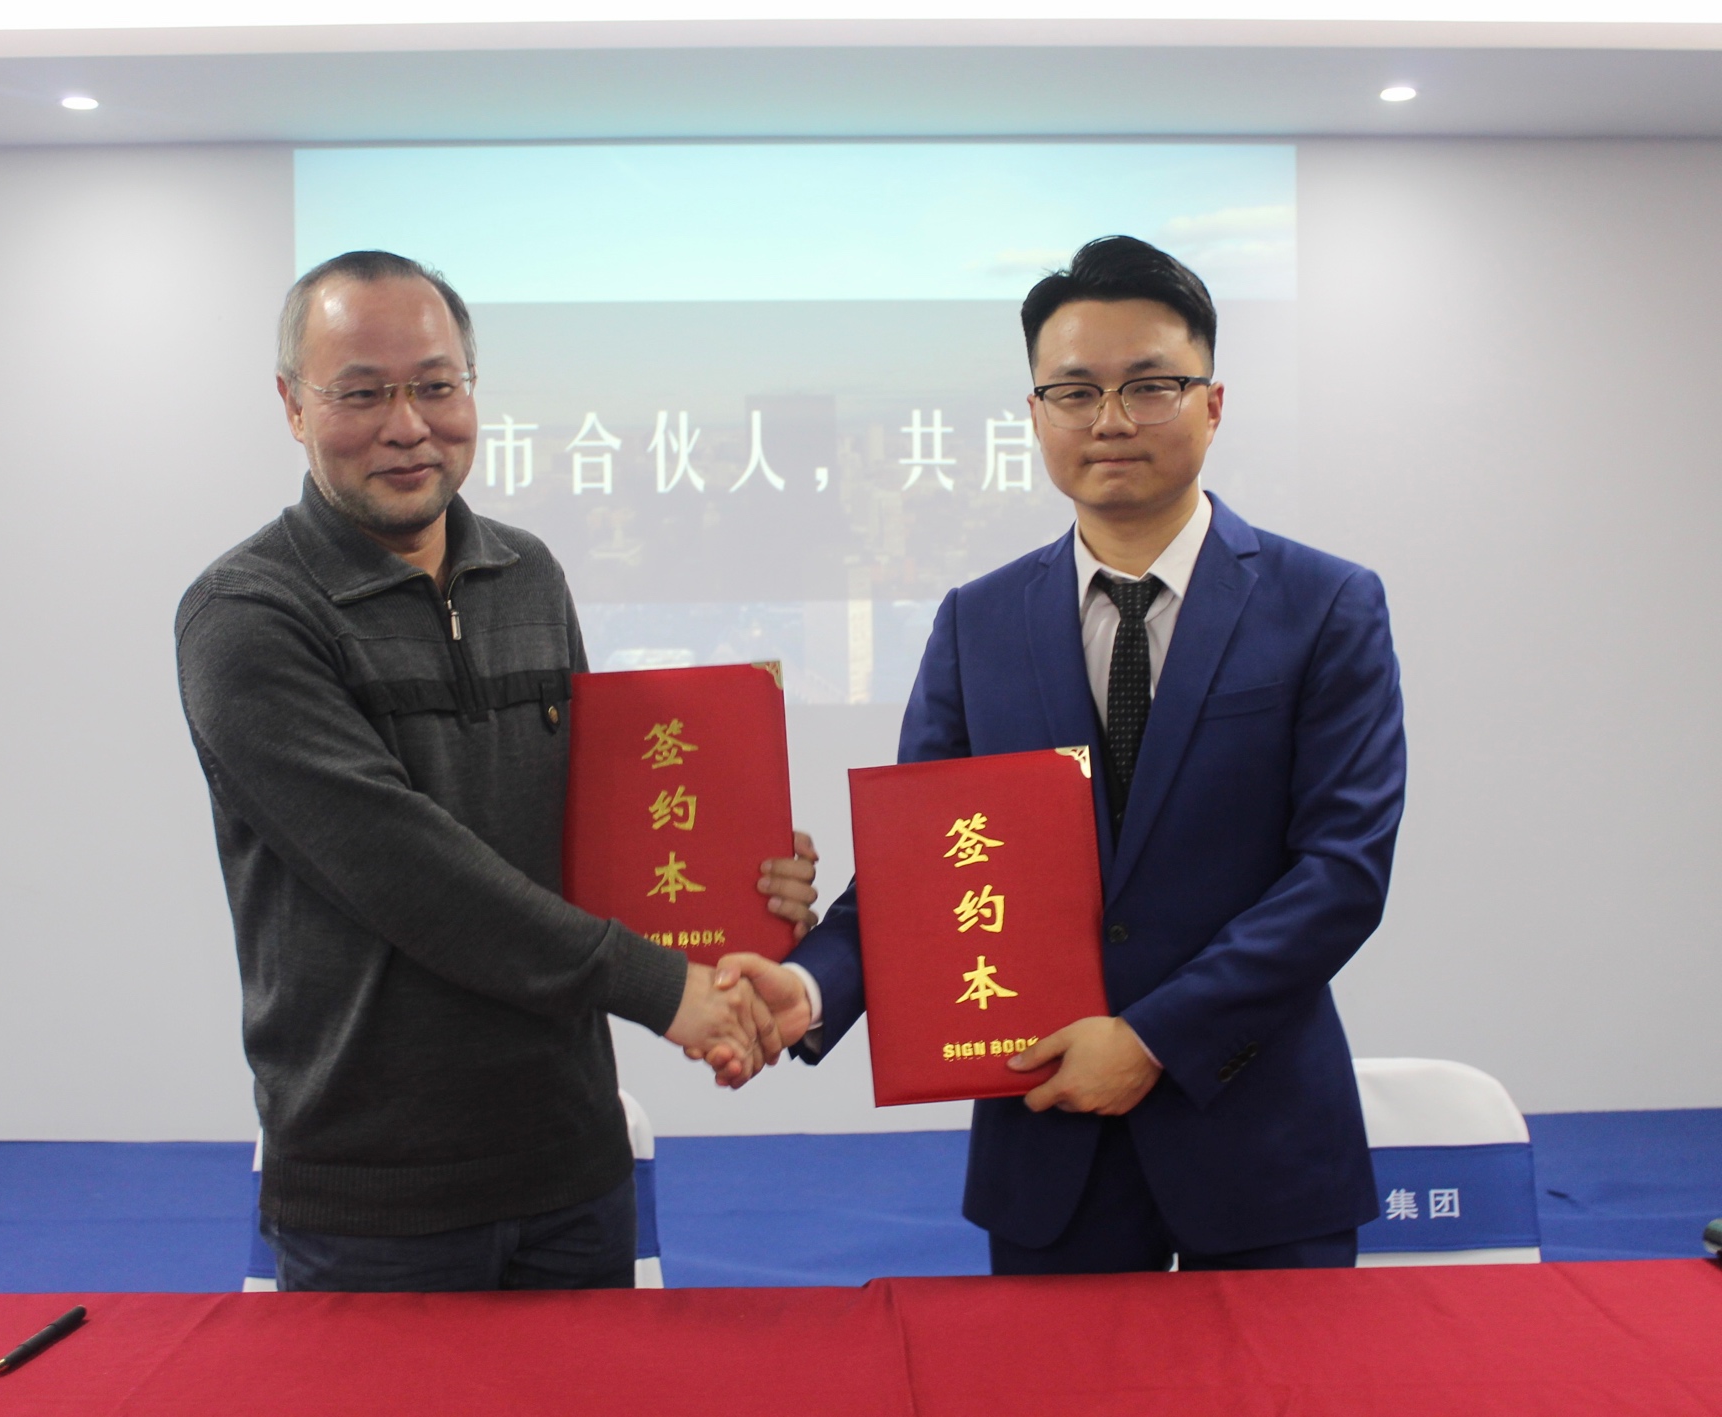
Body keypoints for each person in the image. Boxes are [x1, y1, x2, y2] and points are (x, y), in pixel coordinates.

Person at [715, 236, 1405, 1273]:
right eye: (1075, 392)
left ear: (1214, 403)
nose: (1111, 420)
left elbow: (1341, 874)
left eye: (1151, 386)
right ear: (1036, 415)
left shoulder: (1326, 605)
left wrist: (1153, 1038)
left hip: (1258, 1139)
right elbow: (921, 869)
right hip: (1049, 1141)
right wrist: (808, 989)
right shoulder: (977, 622)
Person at [175, 250, 819, 1292]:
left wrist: (741, 882)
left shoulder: (528, 574)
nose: (407, 424)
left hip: (573, 1160)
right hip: (379, 1193)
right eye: (361, 393)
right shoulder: (246, 615)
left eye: (436, 385)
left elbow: (600, 830)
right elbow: (407, 871)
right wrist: (666, 988)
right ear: (293, 405)